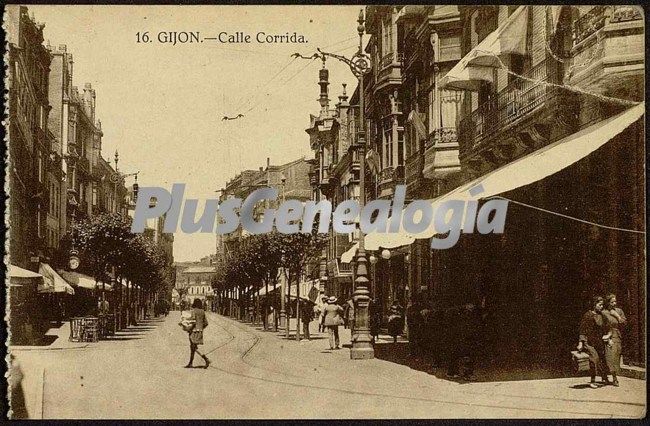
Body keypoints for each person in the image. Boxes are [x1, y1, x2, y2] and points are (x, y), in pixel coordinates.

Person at [578, 296, 608, 388]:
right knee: (594, 359)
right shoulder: (588, 315)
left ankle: (604, 377)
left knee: (601, 359)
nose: (601, 307)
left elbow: (607, 327)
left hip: (598, 341)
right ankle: (592, 380)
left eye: (602, 305)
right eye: (599, 305)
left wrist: (607, 336)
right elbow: (582, 329)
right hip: (589, 341)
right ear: (594, 305)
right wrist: (581, 342)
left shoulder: (602, 316)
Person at [601, 293, 626, 387]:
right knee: (608, 357)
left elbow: (624, 323)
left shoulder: (619, 311)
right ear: (608, 303)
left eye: (615, 301)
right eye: (612, 302)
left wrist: (617, 316)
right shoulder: (603, 313)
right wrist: (607, 337)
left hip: (617, 335)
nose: (614, 303)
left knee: (615, 356)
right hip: (607, 336)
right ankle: (613, 378)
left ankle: (608, 376)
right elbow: (601, 326)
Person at [183, 299, 211, 368]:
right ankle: (190, 363)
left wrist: (188, 329)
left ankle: (205, 358)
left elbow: (192, 322)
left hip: (193, 331)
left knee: (193, 347)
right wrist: (201, 328)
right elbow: (206, 323)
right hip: (200, 331)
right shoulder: (202, 311)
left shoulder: (193, 311)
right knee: (193, 347)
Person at [406, 294, 429, 359]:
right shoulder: (421, 307)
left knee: (413, 340)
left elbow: (408, 318)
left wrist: (409, 324)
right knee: (419, 339)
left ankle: (413, 353)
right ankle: (420, 353)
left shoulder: (410, 308)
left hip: (413, 326)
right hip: (419, 325)